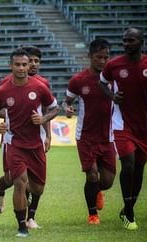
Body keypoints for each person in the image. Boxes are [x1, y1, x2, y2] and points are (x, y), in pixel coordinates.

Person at [99, 27, 147, 230]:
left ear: (141, 42)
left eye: (131, 40)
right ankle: (129, 211)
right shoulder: (114, 65)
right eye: (124, 40)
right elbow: (102, 82)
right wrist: (113, 96)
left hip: (143, 127)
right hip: (121, 124)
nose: (126, 44)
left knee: (139, 169)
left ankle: (127, 207)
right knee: (127, 164)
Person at [0, 48, 59, 237]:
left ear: (29, 66)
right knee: (19, 182)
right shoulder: (3, 90)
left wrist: (43, 121)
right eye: (17, 65)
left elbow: (54, 108)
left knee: (37, 188)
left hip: (35, 143)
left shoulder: (40, 87)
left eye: (24, 64)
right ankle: (22, 225)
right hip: (14, 142)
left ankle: (23, 208)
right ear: (10, 66)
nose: (21, 68)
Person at [62, 39, 116, 225]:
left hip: (108, 136)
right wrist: (67, 109)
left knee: (107, 181)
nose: (102, 61)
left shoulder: (114, 80)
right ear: (90, 57)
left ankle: (97, 190)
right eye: (98, 57)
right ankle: (92, 214)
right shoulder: (78, 80)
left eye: (105, 57)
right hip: (85, 136)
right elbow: (66, 101)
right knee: (92, 174)